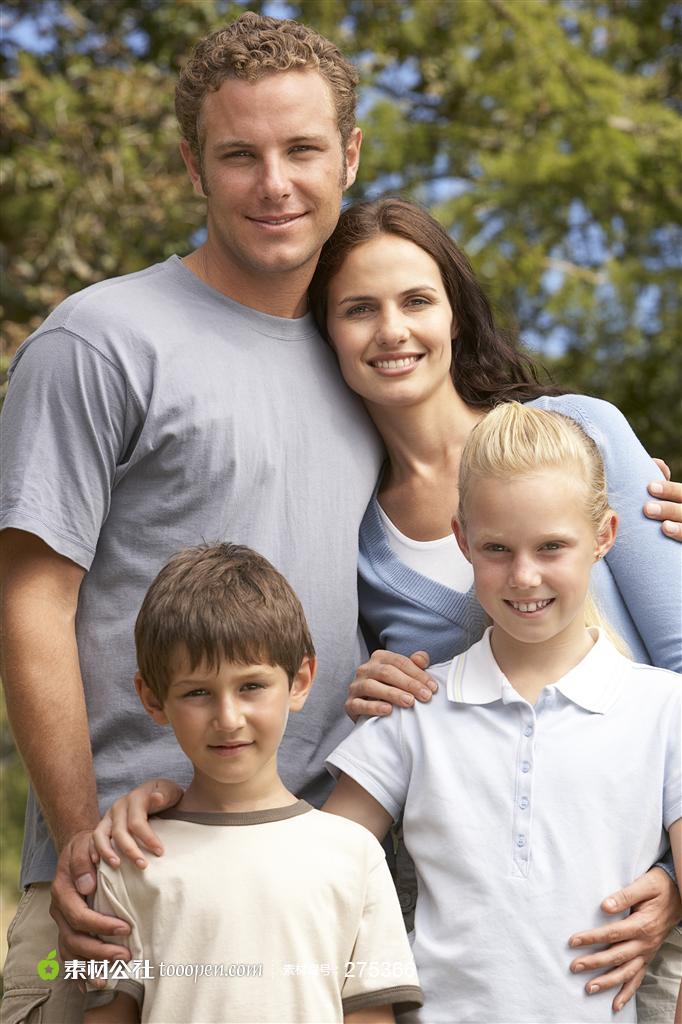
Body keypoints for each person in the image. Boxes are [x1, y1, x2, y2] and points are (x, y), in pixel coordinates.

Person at [99, 198, 682, 1020]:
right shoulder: (351, 526)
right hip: (473, 948)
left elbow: (679, 658)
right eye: (358, 309)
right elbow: (365, 725)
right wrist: (183, 806)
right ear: (326, 332)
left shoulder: (578, 436)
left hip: (626, 907)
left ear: (454, 312)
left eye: (416, 300)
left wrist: (670, 881)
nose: (392, 331)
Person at [0, 14, 384, 1022]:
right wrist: (82, 840)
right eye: (238, 154)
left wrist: (630, 485)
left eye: (302, 149)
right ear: (190, 165)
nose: (274, 184)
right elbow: (32, 603)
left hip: (314, 881)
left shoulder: (369, 354)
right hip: (122, 879)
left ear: (349, 153)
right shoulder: (99, 341)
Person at [322, 402, 682, 1024]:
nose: (523, 576)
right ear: (462, 539)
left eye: (551, 547)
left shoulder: (665, 710)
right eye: (496, 548)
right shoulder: (413, 709)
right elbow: (316, 874)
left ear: (605, 537)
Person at [82, 543, 421, 1024]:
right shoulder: (132, 859)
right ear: (153, 698)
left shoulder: (355, 855)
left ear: (300, 681)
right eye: (198, 692)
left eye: (251, 686)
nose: (228, 718)